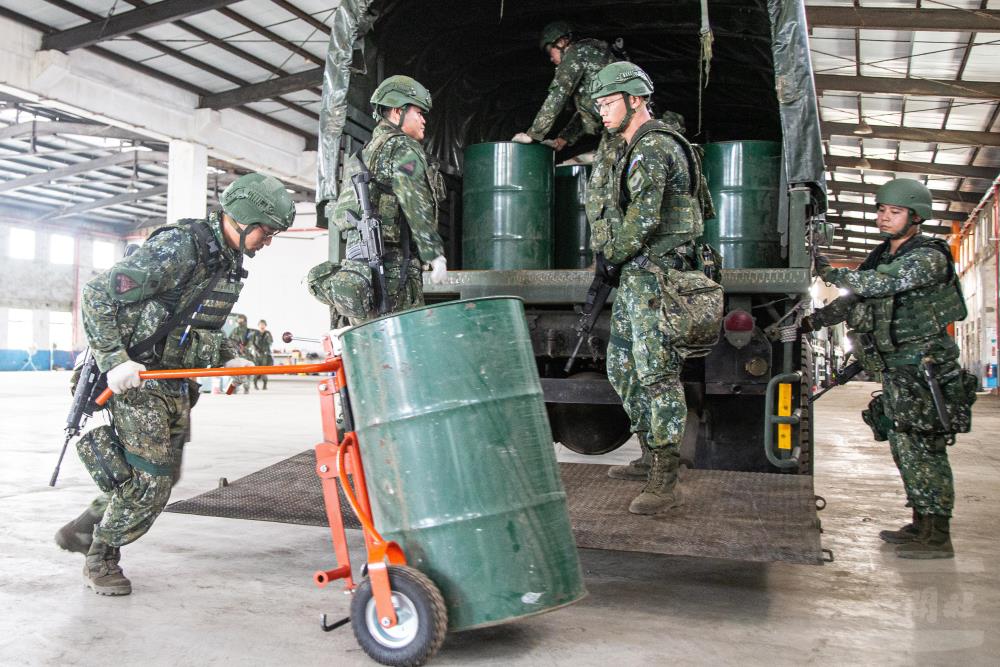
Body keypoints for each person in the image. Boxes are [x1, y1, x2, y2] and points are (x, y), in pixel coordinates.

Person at [54, 172, 295, 594]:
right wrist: (115, 362)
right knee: (153, 479)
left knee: (161, 472)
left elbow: (197, 324)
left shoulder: (228, 261)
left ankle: (86, 526)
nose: (267, 241)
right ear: (241, 219)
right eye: (266, 232)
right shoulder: (179, 248)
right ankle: (102, 557)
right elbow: (96, 295)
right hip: (135, 380)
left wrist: (228, 356)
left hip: (175, 382)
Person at [802, 178, 977, 559]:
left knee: (925, 448)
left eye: (894, 212)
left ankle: (937, 536)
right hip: (898, 369)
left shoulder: (928, 256)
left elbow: (881, 284)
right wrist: (811, 322)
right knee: (904, 447)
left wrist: (831, 272)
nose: (884, 217)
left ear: (916, 218)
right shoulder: (882, 254)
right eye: (881, 210)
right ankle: (920, 522)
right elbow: (855, 299)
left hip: (925, 369)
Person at [585, 62, 722, 515]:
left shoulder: (653, 147)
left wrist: (611, 255)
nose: (602, 113)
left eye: (608, 103)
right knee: (622, 368)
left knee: (658, 377)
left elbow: (643, 218)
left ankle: (665, 479)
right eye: (599, 104)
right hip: (638, 277)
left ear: (636, 100)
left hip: (658, 278)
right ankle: (648, 453)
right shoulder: (631, 147)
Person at [308, 75, 448, 324]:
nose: (424, 119)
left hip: (359, 274)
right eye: (419, 112)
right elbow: (414, 197)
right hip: (392, 270)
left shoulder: (363, 152)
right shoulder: (403, 147)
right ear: (397, 111)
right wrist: (433, 253)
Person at [511, 21, 613, 152]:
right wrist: (562, 139)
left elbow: (557, 96)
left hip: (624, 126)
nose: (551, 59)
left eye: (549, 51)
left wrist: (533, 134)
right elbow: (591, 110)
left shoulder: (575, 54)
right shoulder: (590, 55)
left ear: (561, 42)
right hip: (621, 125)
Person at [228, 314, 254, 393]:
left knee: (247, 371)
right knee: (235, 371)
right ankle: (234, 388)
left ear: (245, 320)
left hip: (246, 355)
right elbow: (230, 341)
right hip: (237, 354)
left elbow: (251, 343)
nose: (239, 321)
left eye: (241, 319)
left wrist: (245, 348)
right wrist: (236, 348)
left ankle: (246, 387)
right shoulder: (235, 330)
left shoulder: (249, 332)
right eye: (239, 319)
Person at [251, 319, 274, 390]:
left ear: (265, 325)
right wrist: (256, 350)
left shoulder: (268, 333)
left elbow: (271, 342)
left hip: (265, 355)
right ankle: (255, 385)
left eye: (263, 324)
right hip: (257, 355)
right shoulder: (255, 333)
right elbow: (252, 343)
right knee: (256, 371)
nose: (262, 326)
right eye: (261, 324)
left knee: (264, 370)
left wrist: (267, 337)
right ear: (258, 325)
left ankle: (264, 385)